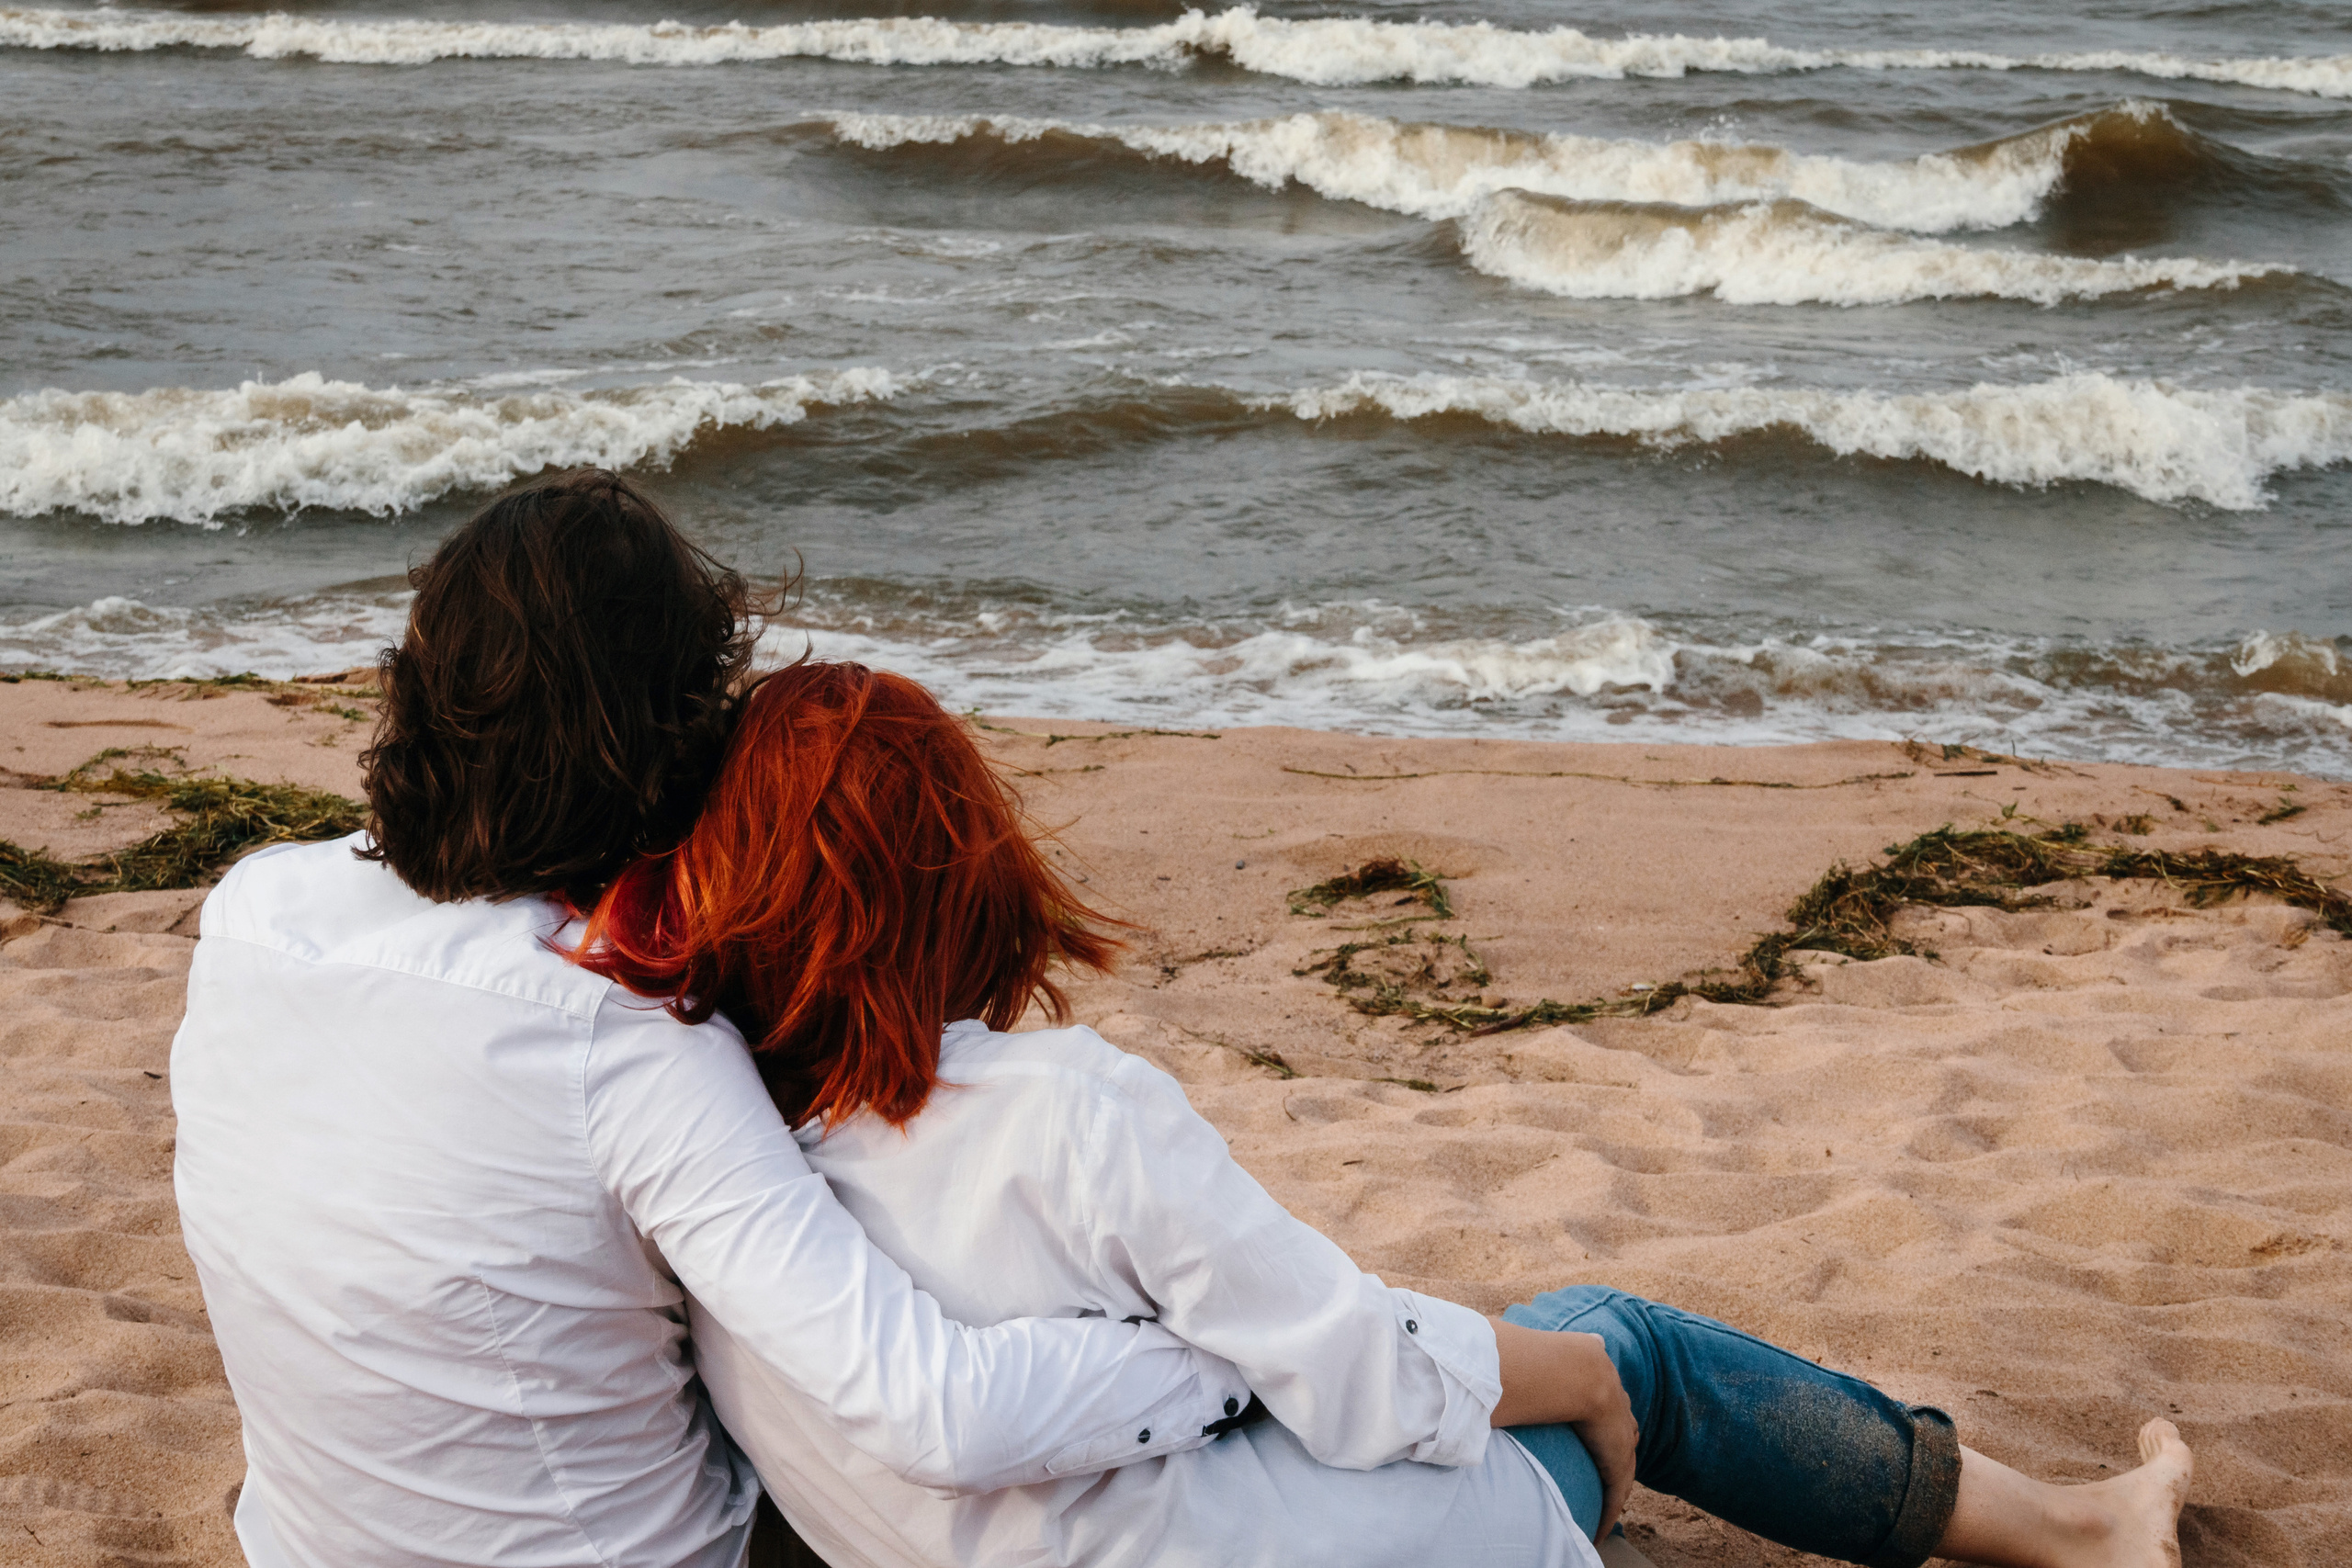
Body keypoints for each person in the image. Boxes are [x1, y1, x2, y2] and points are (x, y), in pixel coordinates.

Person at [171, 470, 1559, 1568]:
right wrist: (1220, 1353)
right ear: (663, 738)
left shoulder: (256, 911)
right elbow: (935, 1410)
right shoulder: (630, 1046)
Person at [575, 660, 2198, 1568]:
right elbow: (1350, 1379)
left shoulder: (705, 1172)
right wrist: (1575, 1379)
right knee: (1622, 1343)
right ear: (965, 873)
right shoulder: (1064, 1111)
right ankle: (2071, 1531)